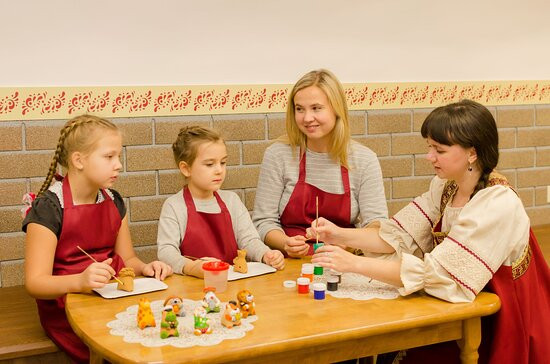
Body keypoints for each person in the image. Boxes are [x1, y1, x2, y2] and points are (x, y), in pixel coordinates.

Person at [310, 99, 550, 363]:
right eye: (429, 147)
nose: (429, 157)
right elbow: (398, 234)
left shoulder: (497, 203)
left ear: (472, 153)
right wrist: (338, 234)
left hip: (504, 317)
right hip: (461, 306)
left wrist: (353, 263)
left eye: (440, 150)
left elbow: (440, 274)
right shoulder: (446, 185)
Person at [22, 114, 173, 363]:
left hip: (110, 296)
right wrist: (81, 281)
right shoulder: (49, 207)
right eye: (109, 157)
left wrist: (146, 267)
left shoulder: (113, 200)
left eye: (119, 156)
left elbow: (128, 259)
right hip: (66, 307)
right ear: (78, 160)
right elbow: (35, 283)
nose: (119, 165)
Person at [252, 69, 388, 258]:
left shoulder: (364, 160)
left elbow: (377, 225)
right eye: (300, 109)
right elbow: (263, 222)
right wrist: (285, 243)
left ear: (336, 109)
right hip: (288, 262)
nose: (307, 118)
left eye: (316, 108)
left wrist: (345, 243)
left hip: (344, 261)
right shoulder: (278, 155)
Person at [157, 126, 285, 278]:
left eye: (223, 162)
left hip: (230, 282)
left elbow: (249, 240)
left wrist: (266, 254)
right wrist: (192, 267)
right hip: (192, 286)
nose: (219, 170)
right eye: (210, 164)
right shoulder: (174, 206)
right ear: (186, 169)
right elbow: (166, 251)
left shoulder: (232, 201)